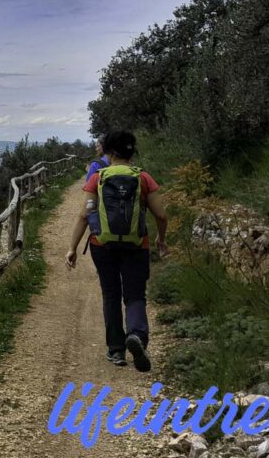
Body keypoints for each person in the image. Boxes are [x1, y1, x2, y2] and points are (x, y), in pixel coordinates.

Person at [65, 131, 168, 372]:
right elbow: (161, 215)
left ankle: (116, 350)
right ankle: (137, 336)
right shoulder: (144, 178)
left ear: (109, 152)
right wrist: (161, 240)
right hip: (136, 245)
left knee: (110, 294)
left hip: (103, 246)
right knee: (135, 295)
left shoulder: (97, 179)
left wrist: (71, 248)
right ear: (132, 152)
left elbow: (85, 214)